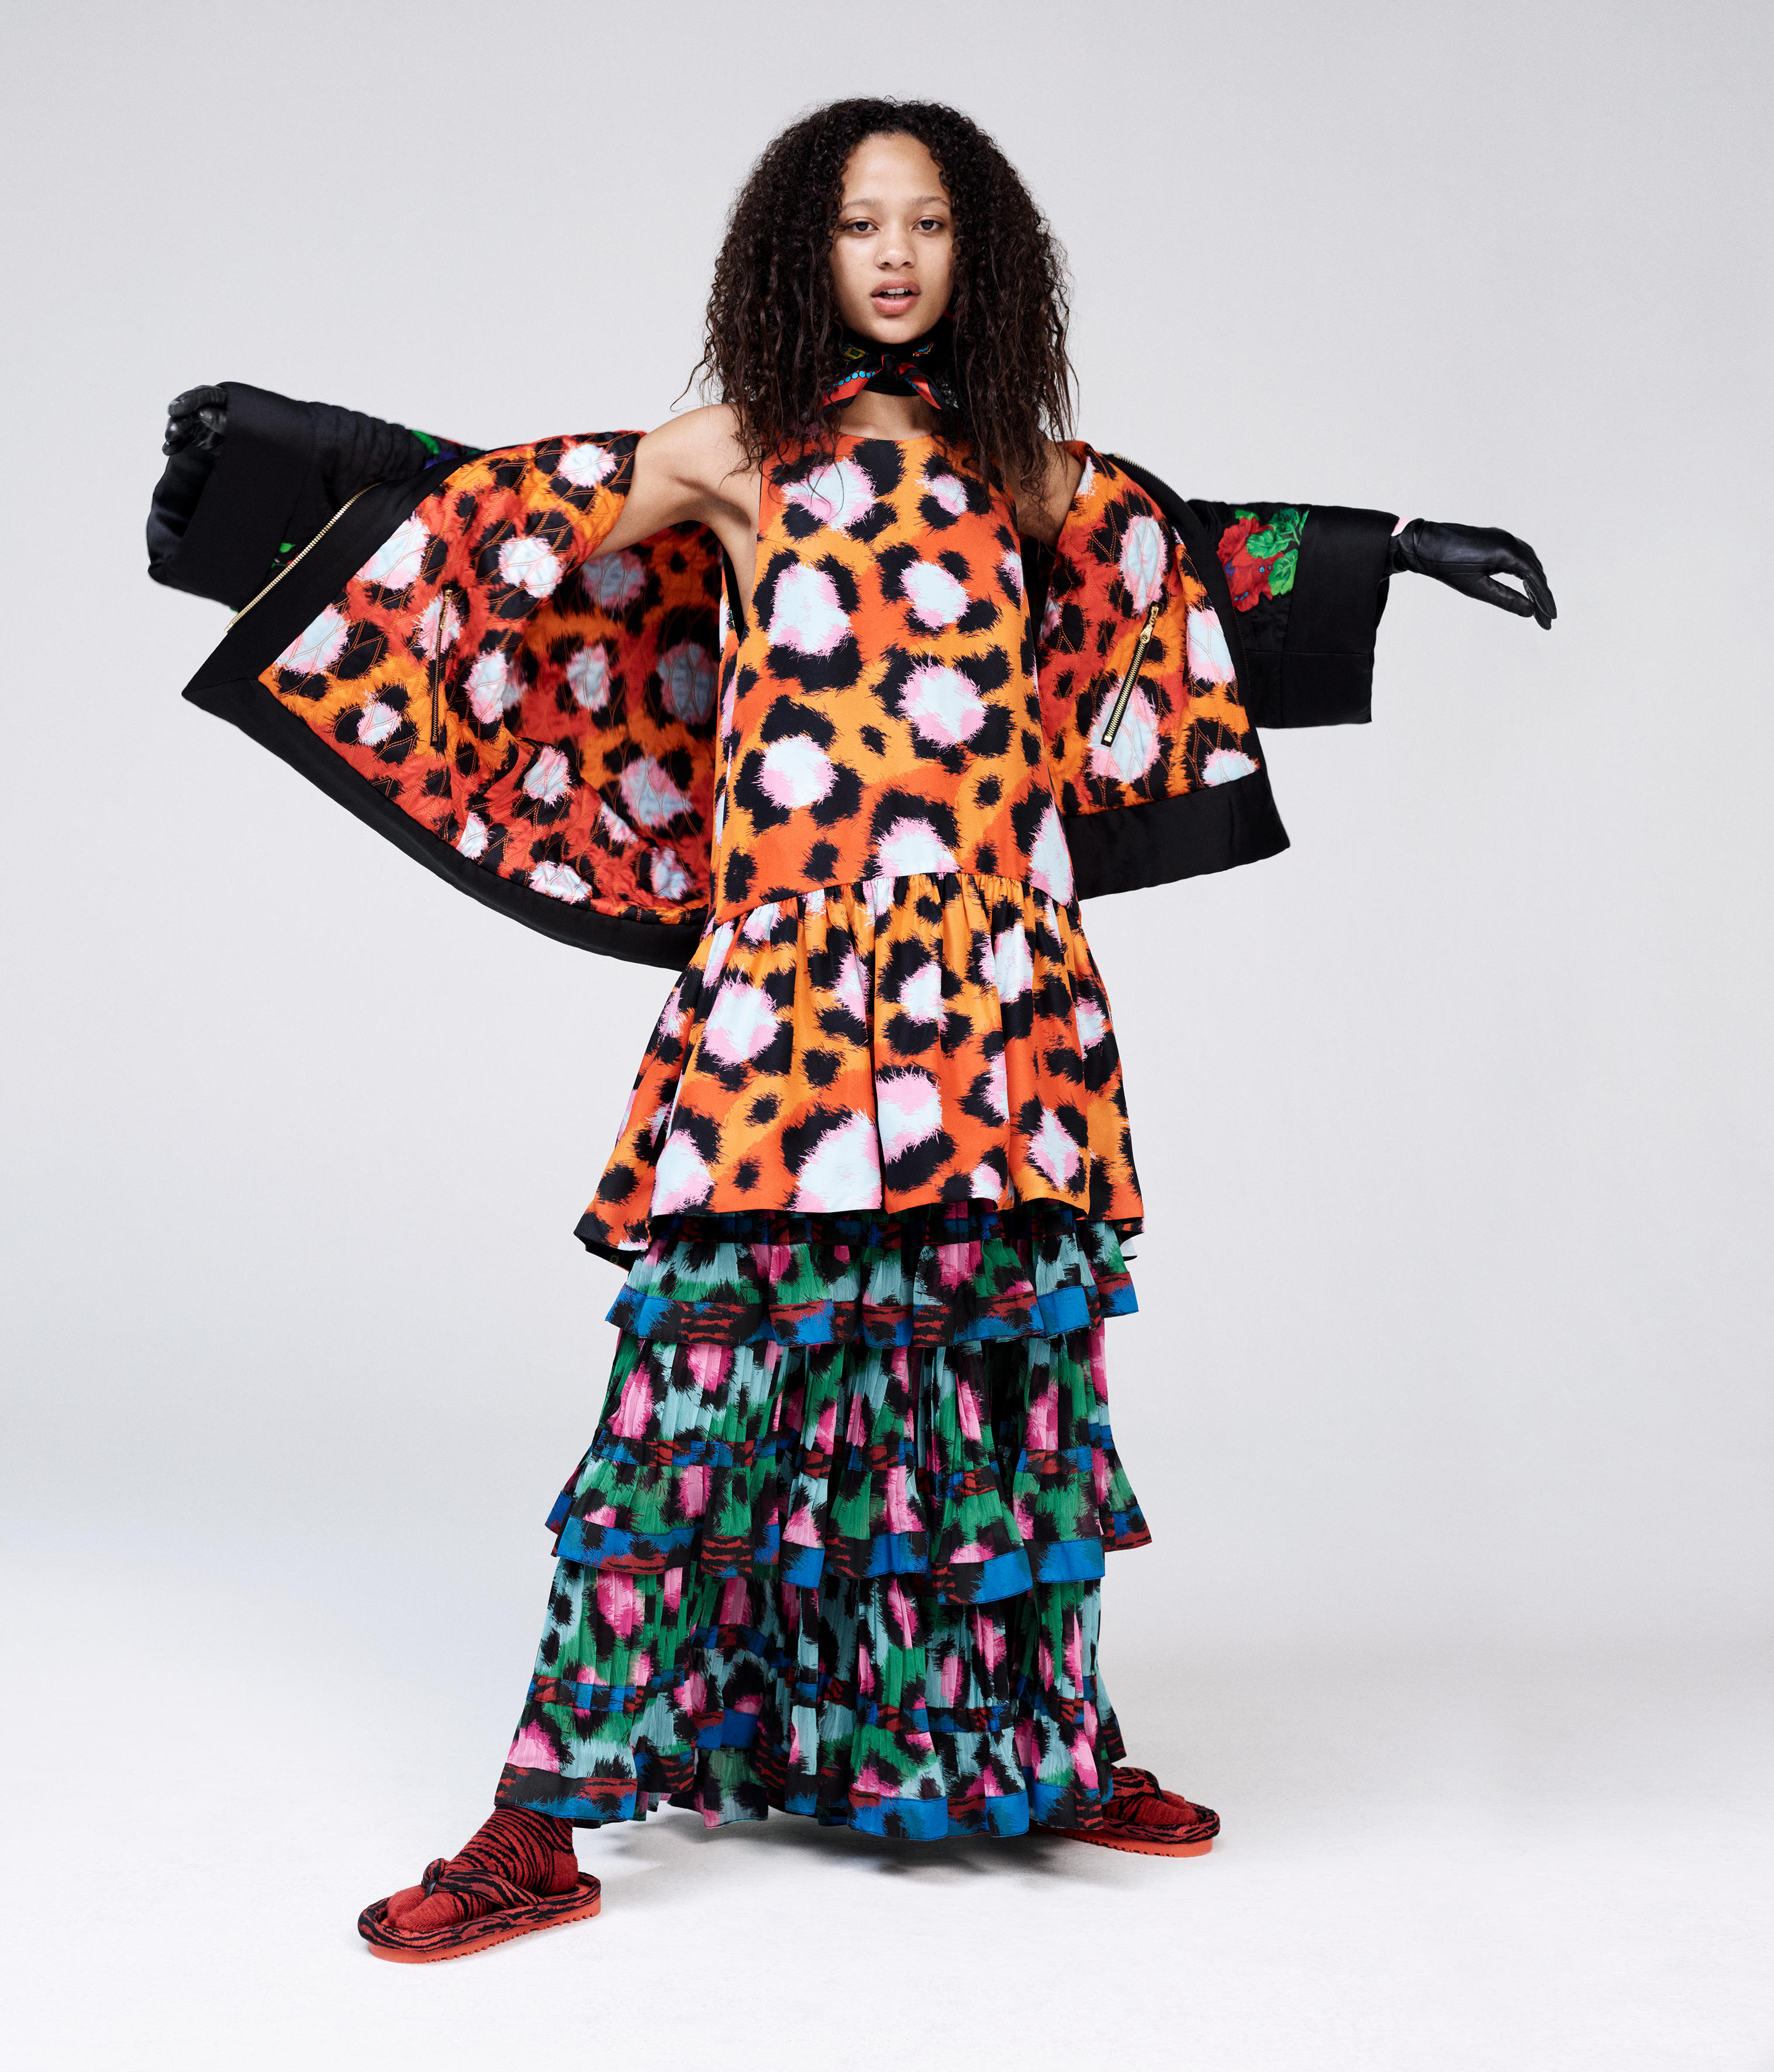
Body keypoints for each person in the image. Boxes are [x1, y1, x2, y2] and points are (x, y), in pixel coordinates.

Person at [149, 98, 1555, 1964]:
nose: (893, 255)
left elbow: (1194, 560)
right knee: (694, 1401)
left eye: (928, 225)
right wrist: (273, 463)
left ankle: (1035, 1751)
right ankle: (538, 1822)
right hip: (789, 1005)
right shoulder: (739, 450)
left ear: (983, 258)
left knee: (994, 1389)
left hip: (996, 1002)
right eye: (857, 224)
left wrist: (1394, 549)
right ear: (798, 254)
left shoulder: (1032, 476)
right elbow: (488, 513)